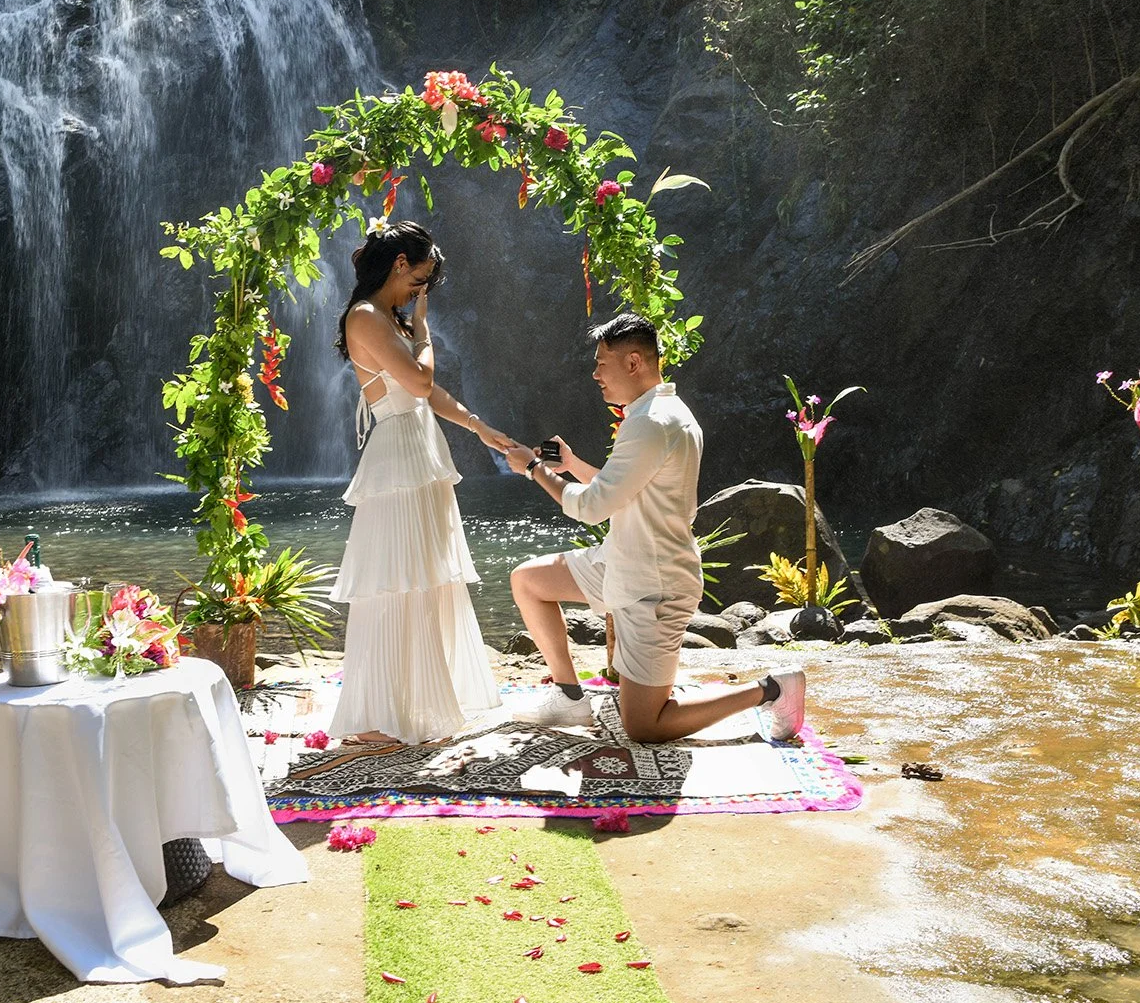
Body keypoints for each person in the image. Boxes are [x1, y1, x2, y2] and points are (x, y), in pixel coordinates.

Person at [502, 313, 804, 744]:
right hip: (619, 561)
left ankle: (771, 689)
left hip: (653, 587)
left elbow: (591, 507)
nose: (595, 375)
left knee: (644, 726)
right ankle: (568, 696)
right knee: (528, 580)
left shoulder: (650, 423)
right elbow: (619, 490)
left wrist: (535, 469)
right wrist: (570, 465)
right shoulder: (657, 413)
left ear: (633, 362)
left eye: (601, 363)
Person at [327, 221, 512, 745]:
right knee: (396, 579)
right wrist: (425, 330)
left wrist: (478, 427)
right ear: (399, 264)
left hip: (421, 449)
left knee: (425, 577)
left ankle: (417, 704)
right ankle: (376, 716)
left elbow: (428, 395)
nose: (420, 292)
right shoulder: (365, 317)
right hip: (398, 458)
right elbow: (419, 380)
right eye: (419, 280)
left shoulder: (388, 318)